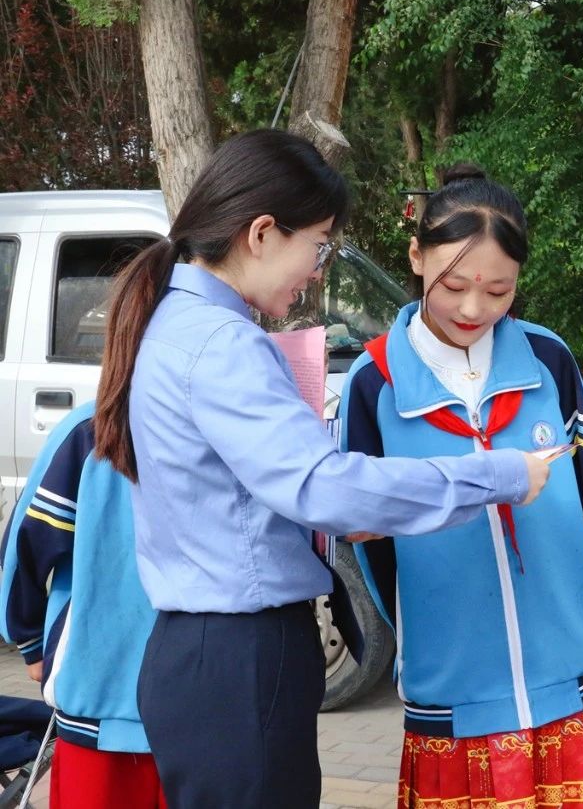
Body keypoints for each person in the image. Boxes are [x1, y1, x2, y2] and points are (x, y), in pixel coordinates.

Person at [93, 129, 550, 809]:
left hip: (205, 655)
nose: (317, 271)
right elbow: (322, 487)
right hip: (241, 657)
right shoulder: (222, 343)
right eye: (319, 245)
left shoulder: (177, 323)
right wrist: (498, 474)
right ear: (262, 233)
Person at [340, 165, 583, 809]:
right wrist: (423, 627)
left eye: (498, 290)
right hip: (454, 690)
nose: (473, 309)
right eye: (454, 285)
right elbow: (367, 545)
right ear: (416, 256)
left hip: (569, 676)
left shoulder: (548, 360)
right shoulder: (373, 383)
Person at [0, 403, 166, 808]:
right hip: (168, 704)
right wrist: (30, 641)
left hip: (101, 698)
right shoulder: (94, 428)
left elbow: (23, 548)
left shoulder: (91, 427)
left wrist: (30, 641)